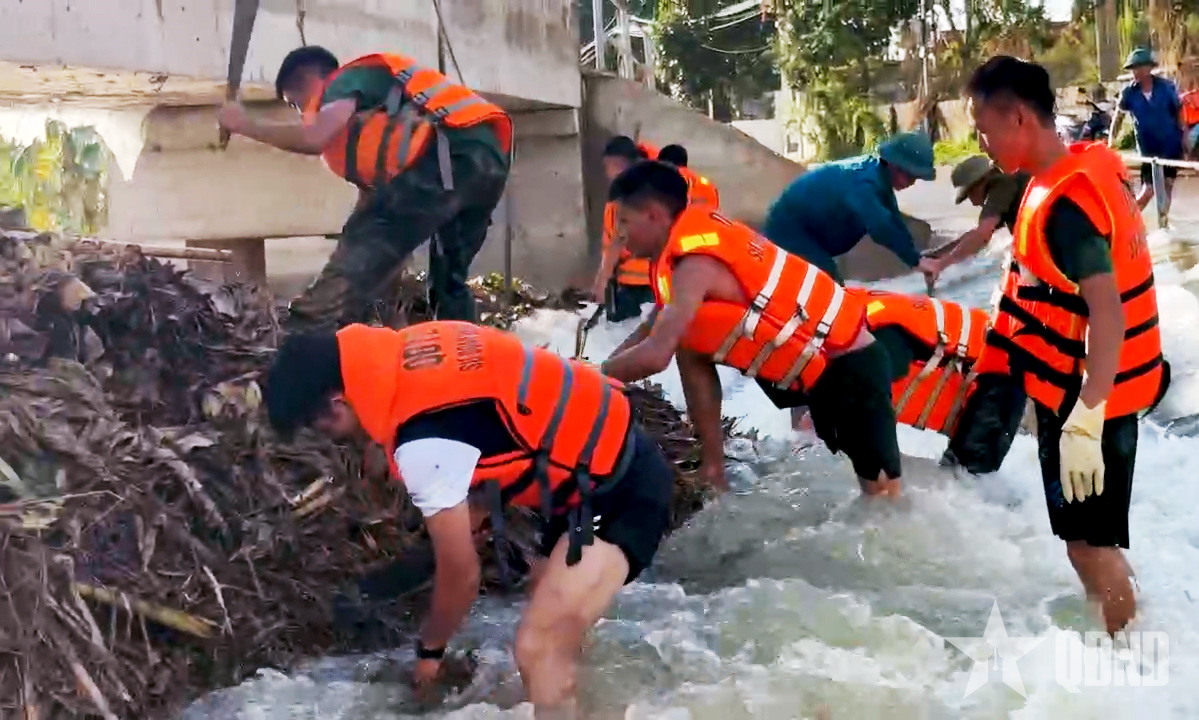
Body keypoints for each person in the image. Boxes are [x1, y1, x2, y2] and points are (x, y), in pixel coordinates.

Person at [264, 321, 674, 719]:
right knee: (550, 616)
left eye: (317, 427)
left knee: (538, 647)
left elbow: (462, 575)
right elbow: (488, 426)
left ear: (336, 405)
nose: (329, 438)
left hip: (622, 492)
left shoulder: (421, 445)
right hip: (586, 471)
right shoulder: (413, 349)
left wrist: (431, 651)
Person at [968, 55, 1170, 634]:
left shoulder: (1066, 207)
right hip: (1097, 394)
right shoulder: (1079, 169)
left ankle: (1133, 665)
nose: (983, 144)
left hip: (1093, 403)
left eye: (985, 130)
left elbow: (1107, 314)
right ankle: (1134, 639)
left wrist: (1086, 417)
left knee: (1088, 546)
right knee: (1091, 542)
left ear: (1019, 118)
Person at [600, 161, 903, 498]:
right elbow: (653, 326)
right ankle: (712, 468)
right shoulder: (683, 261)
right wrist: (591, 367)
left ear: (655, 215)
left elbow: (656, 355)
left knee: (884, 500)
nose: (620, 234)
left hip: (853, 369)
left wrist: (596, 378)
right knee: (691, 338)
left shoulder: (696, 265)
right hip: (821, 370)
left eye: (625, 221)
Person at [216, 46, 511, 332]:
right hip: (487, 160)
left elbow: (314, 138)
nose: (300, 113)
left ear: (308, 80)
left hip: (444, 154)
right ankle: (465, 365)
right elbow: (376, 220)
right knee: (448, 284)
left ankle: (300, 343)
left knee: (338, 285)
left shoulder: (344, 82)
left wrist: (243, 124)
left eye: (295, 104)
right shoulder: (380, 114)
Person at [853, 289, 1025, 475]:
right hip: (998, 357)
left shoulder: (873, 337)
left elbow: (872, 406)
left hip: (998, 380)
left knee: (970, 482)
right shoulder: (850, 314)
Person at [761, 131, 940, 286]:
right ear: (893, 164)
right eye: (909, 176)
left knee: (826, 287)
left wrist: (917, 256)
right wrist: (915, 261)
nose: (911, 183)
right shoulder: (863, 184)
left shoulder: (877, 176)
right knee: (828, 288)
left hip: (811, 234)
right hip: (789, 229)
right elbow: (880, 225)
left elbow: (893, 219)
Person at [922, 155, 1031, 281]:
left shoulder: (1001, 183)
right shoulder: (1007, 182)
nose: (973, 203)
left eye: (970, 194)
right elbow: (975, 235)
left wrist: (941, 265)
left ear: (980, 182)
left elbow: (981, 236)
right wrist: (938, 254)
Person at [1108, 47, 1184, 219]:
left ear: (1149, 68)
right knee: (1148, 189)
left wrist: (1184, 138)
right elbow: (1118, 117)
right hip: (1148, 148)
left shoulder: (1166, 87)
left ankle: (1163, 222)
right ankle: (1127, 221)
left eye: (1139, 68)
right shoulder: (1129, 93)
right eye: (1133, 68)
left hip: (1170, 145)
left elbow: (1179, 112)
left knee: (1167, 185)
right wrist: (1112, 139)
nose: (1136, 72)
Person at [590, 136, 657, 322]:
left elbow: (619, 238)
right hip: (655, 282)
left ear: (618, 164)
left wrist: (602, 282)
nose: (607, 173)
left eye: (608, 167)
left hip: (638, 288)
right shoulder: (652, 191)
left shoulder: (626, 196)